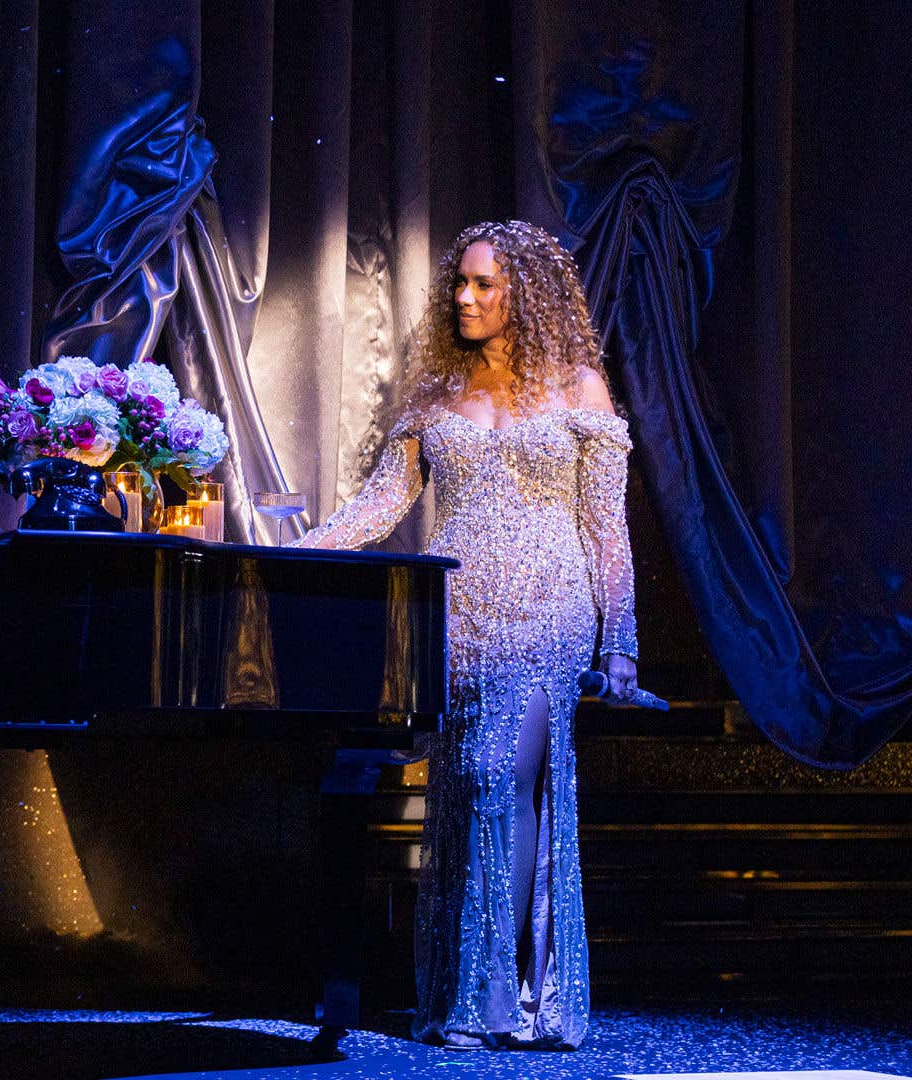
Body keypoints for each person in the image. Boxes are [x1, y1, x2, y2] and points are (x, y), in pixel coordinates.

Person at [293, 221, 638, 1049]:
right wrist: (286, 550)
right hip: (459, 614)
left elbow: (607, 527)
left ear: (528, 292)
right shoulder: (435, 398)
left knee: (495, 780)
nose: (465, 297)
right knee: (467, 794)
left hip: (551, 606)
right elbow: (380, 509)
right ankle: (471, 992)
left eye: (484, 284)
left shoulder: (577, 389)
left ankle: (504, 994)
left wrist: (619, 639)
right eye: (460, 283)